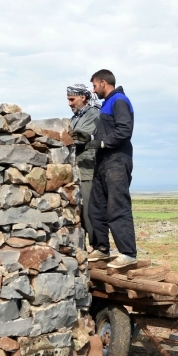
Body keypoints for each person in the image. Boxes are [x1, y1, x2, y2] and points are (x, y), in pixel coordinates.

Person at [87, 69, 138, 269]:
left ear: (102, 82)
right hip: (103, 162)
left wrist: (101, 143)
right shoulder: (106, 104)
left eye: (94, 85)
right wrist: (91, 141)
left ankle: (128, 253)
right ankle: (101, 248)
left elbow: (125, 130)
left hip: (117, 160)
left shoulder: (119, 101)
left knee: (117, 206)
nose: (93, 90)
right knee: (96, 206)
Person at [67, 84, 100, 248]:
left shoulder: (93, 114)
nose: (69, 103)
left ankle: (98, 248)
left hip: (88, 172)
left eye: (72, 99)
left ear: (83, 98)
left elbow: (79, 139)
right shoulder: (75, 118)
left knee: (89, 213)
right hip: (77, 172)